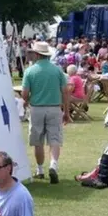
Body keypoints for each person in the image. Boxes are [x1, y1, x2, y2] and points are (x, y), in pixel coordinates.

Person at [21, 41, 70, 184]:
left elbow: (24, 94)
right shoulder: (57, 70)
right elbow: (65, 92)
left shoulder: (30, 71)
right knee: (55, 139)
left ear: (36, 54)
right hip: (55, 107)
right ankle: (53, 164)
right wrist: (66, 112)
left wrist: (28, 100)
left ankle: (40, 169)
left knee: (38, 141)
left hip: (36, 108)